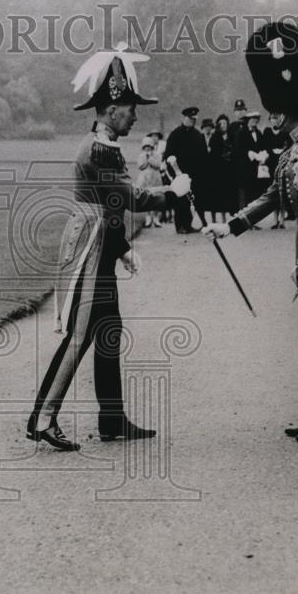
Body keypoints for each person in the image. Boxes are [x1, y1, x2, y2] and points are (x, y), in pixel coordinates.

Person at [26, 45, 191, 451]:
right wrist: (173, 192)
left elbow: (111, 205)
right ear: (112, 107)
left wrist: (120, 249)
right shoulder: (99, 148)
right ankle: (43, 418)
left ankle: (111, 417)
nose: (135, 114)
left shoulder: (106, 144)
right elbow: (129, 197)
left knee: (108, 331)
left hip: (100, 243)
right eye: (130, 106)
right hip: (89, 248)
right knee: (80, 335)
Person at [205, 22, 298, 443]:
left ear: (290, 107)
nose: (270, 114)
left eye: (275, 108)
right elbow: (270, 197)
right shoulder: (292, 150)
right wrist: (229, 225)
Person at [164, 106, 207, 233]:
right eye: (190, 118)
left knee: (192, 200)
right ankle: (180, 226)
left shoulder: (198, 135)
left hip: (194, 175)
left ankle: (188, 224)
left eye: (194, 119)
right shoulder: (175, 134)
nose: (192, 121)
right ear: (185, 118)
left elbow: (203, 155)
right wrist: (175, 174)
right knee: (180, 200)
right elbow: (169, 155)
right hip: (180, 174)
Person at [204, 114, 238, 224]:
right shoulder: (215, 137)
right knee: (217, 194)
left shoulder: (232, 136)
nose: (223, 125)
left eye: (225, 123)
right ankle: (216, 219)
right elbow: (212, 155)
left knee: (229, 194)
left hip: (230, 170)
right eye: (221, 123)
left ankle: (228, 218)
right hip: (218, 171)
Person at [262, 112, 291, 228]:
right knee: (273, 190)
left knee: (282, 190)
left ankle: (282, 219)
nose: (274, 120)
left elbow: (288, 145)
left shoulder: (284, 132)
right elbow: (265, 146)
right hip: (271, 163)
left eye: (276, 118)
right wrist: (271, 151)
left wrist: (282, 151)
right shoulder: (267, 132)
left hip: (282, 162)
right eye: (273, 118)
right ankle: (275, 219)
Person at [240, 110, 270, 214]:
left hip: (256, 168)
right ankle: (244, 216)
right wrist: (249, 153)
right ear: (248, 120)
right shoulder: (241, 133)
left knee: (254, 192)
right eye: (253, 119)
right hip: (246, 167)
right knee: (246, 193)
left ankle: (252, 217)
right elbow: (238, 149)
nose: (255, 122)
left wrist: (263, 155)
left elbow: (263, 146)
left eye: (256, 120)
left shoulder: (258, 133)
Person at [136, 134, 164, 227]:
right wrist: (146, 159)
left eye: (149, 147)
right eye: (145, 147)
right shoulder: (141, 155)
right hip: (145, 178)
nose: (147, 149)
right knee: (146, 197)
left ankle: (156, 218)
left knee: (156, 196)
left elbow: (158, 165)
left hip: (155, 177)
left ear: (152, 147)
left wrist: (151, 159)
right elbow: (140, 166)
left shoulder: (157, 155)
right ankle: (148, 218)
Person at [230, 99, 249, 209]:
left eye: (242, 110)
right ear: (234, 112)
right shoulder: (232, 126)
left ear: (245, 111)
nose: (240, 112)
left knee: (249, 190)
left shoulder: (249, 124)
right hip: (236, 163)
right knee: (239, 190)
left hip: (249, 162)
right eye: (237, 110)